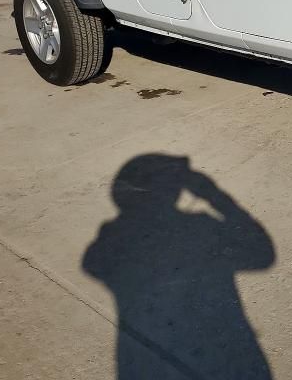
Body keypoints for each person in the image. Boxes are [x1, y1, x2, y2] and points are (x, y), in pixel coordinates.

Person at [83, 154, 275, 379]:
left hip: (151, 367)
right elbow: (262, 254)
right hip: (223, 360)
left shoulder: (114, 241)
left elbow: (93, 263)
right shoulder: (199, 229)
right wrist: (214, 196)